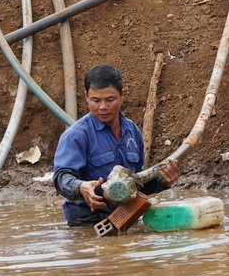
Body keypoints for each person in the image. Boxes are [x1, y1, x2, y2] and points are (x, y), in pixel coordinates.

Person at [53, 64, 181, 227]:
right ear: (86, 96)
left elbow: (137, 182)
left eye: (110, 99)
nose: (103, 107)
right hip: (87, 220)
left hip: (126, 215)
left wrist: (162, 182)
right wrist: (81, 187)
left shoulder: (132, 131)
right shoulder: (76, 135)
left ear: (122, 95)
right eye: (96, 100)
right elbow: (61, 177)